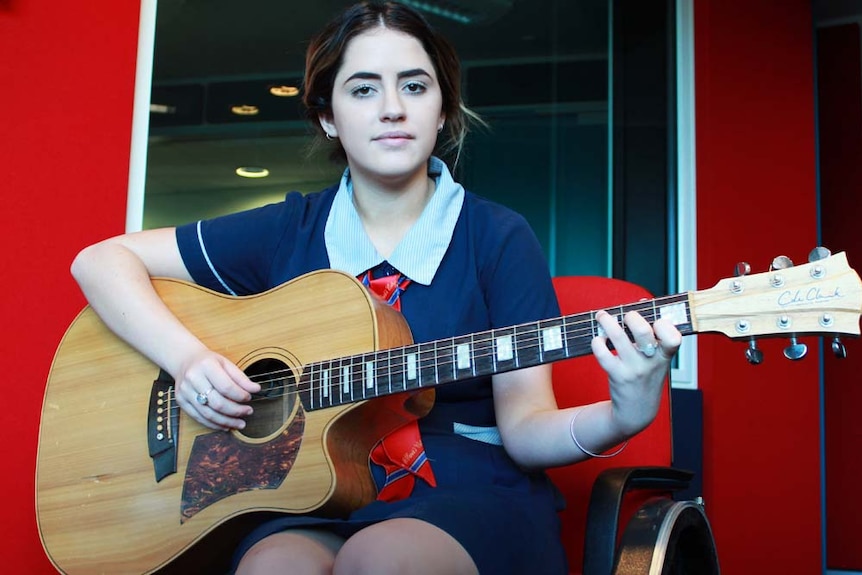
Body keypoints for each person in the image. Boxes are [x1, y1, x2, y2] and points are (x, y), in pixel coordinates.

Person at [71, 2, 681, 574]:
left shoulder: (497, 235)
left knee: (381, 560)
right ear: (328, 118)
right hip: (311, 491)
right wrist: (190, 361)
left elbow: (525, 431)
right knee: (271, 567)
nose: (393, 108)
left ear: (442, 110)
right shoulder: (289, 229)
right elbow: (100, 262)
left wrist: (625, 412)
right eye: (364, 89)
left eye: (414, 86)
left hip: (468, 494)